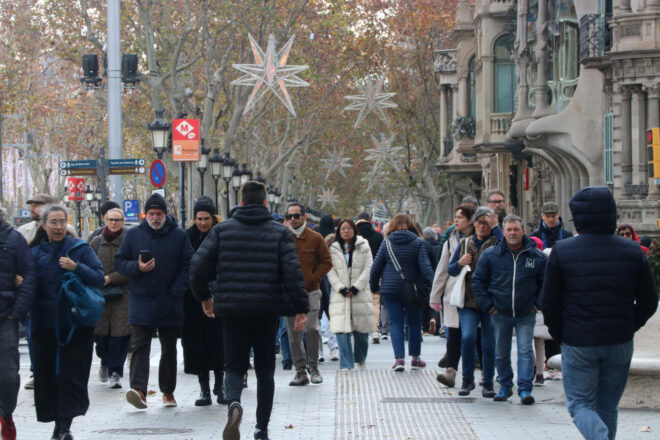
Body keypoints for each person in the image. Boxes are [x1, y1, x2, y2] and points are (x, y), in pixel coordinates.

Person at [189, 181, 309, 440]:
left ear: (240, 203)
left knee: (233, 364)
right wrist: (301, 308)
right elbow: (292, 274)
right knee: (265, 368)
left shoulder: (222, 231)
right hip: (266, 309)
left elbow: (197, 266)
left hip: (231, 310)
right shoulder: (279, 233)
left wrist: (205, 297)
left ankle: (234, 403)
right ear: (266, 203)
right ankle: (261, 428)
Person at [542, 186, 658, 440]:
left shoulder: (562, 251)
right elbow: (649, 300)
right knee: (607, 406)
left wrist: (562, 333)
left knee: (580, 403)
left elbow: (549, 302)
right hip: (619, 339)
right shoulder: (632, 252)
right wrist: (630, 325)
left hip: (578, 338)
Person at [30, 205, 104, 440]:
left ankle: (64, 427)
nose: (58, 227)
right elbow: (27, 284)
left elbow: (98, 277)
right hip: (44, 326)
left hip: (75, 326)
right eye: (53, 222)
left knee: (72, 376)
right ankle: (56, 423)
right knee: (48, 376)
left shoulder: (79, 249)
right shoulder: (33, 252)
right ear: (44, 225)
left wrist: (76, 267)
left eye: (62, 221)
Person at [115, 194, 193, 409]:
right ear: (145, 215)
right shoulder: (133, 235)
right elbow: (120, 262)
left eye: (159, 214)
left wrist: (176, 291)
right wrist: (137, 268)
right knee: (139, 346)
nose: (155, 218)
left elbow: (189, 265)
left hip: (170, 301)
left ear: (165, 215)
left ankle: (168, 391)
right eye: (151, 214)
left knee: (169, 348)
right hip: (142, 299)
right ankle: (139, 390)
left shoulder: (179, 236)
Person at [472, 215, 547, 404]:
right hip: (500, 312)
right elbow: (478, 281)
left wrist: (537, 305)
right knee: (501, 352)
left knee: (525, 351)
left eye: (516, 229)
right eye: (509, 230)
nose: (512, 233)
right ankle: (505, 386)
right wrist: (489, 306)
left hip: (525, 313)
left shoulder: (536, 256)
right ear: (503, 232)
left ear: (523, 231)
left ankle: (525, 389)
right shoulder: (491, 255)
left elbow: (545, 284)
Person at [18, 194, 76, 391]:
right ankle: (37, 372)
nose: (33, 209)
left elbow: (91, 272)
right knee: (34, 338)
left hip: (65, 303)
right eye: (32, 206)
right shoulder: (24, 232)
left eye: (37, 205)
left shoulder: (70, 237)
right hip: (36, 302)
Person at [447, 207, 502, 397]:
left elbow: (508, 249)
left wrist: (497, 228)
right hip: (469, 300)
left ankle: (487, 382)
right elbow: (451, 270)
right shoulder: (465, 243)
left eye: (485, 223)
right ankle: (467, 380)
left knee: (488, 343)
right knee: (468, 337)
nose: (481, 226)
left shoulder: (497, 243)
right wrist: (460, 262)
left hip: (491, 301)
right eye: (478, 223)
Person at [369, 213, 435, 371]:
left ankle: (399, 359)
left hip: (390, 289)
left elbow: (375, 268)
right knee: (414, 323)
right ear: (410, 225)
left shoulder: (386, 244)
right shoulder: (418, 243)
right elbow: (425, 267)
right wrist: (434, 286)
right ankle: (416, 358)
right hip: (413, 289)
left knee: (396, 323)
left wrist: (374, 288)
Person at [181, 196, 227, 406]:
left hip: (219, 297)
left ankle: (220, 385)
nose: (202, 222)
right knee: (197, 345)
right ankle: (204, 389)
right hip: (193, 299)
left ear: (214, 218)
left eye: (206, 218)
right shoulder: (186, 237)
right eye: (199, 218)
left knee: (220, 343)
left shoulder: (222, 235)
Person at [285, 203, 332, 386]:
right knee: (293, 333)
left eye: (296, 216)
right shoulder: (283, 237)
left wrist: (314, 277)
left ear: (304, 217)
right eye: (290, 217)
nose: (293, 220)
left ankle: (313, 367)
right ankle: (300, 371)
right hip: (289, 292)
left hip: (312, 291)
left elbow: (327, 262)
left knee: (311, 328)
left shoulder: (315, 237)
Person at [0, 207, 36, 440]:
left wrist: (17, 312)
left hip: (5, 316)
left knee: (9, 376)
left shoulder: (13, 238)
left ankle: (6, 414)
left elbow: (30, 274)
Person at [431, 204, 475, 388]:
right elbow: (442, 269)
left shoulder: (479, 238)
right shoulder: (450, 240)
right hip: (453, 292)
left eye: (460, 217)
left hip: (473, 294)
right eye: (455, 217)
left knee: (473, 336)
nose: (456, 220)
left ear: (470, 220)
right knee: (454, 334)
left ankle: (478, 373)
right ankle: (450, 372)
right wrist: (435, 296)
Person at [90, 208, 131, 389]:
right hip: (99, 295)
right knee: (100, 336)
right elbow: (87, 263)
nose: (114, 223)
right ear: (105, 220)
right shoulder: (96, 242)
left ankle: (116, 371)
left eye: (118, 220)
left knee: (120, 336)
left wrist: (111, 278)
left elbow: (131, 268)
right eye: (111, 219)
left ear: (123, 221)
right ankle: (104, 361)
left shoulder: (129, 241)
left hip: (123, 295)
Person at [327, 219, 375, 370]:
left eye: (349, 228)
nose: (346, 231)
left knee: (361, 331)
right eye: (343, 229)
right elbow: (330, 270)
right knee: (341, 330)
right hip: (339, 295)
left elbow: (368, 268)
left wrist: (356, 287)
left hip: (360, 294)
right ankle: (346, 364)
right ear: (338, 231)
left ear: (354, 230)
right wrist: (340, 287)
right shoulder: (333, 248)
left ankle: (360, 358)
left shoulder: (364, 246)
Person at [356, 212, 385, 344]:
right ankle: (375, 330)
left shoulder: (354, 236)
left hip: (357, 272)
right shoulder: (378, 236)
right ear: (370, 220)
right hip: (375, 271)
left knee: (357, 301)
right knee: (374, 301)